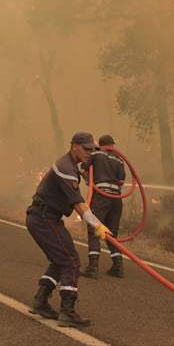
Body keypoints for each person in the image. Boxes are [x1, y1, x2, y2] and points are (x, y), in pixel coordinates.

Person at [26, 132, 112, 328]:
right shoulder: (65, 168)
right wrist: (97, 226)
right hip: (43, 218)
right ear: (74, 146)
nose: (90, 152)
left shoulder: (71, 166)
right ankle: (67, 311)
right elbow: (79, 205)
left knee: (61, 258)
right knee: (71, 261)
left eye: (93, 149)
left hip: (46, 218)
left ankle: (40, 300)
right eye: (86, 148)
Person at [81, 134, 126, 279]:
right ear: (110, 145)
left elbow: (84, 166)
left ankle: (93, 267)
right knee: (112, 233)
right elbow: (121, 180)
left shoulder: (95, 154)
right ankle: (118, 267)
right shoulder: (119, 160)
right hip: (116, 199)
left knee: (94, 228)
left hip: (101, 197)